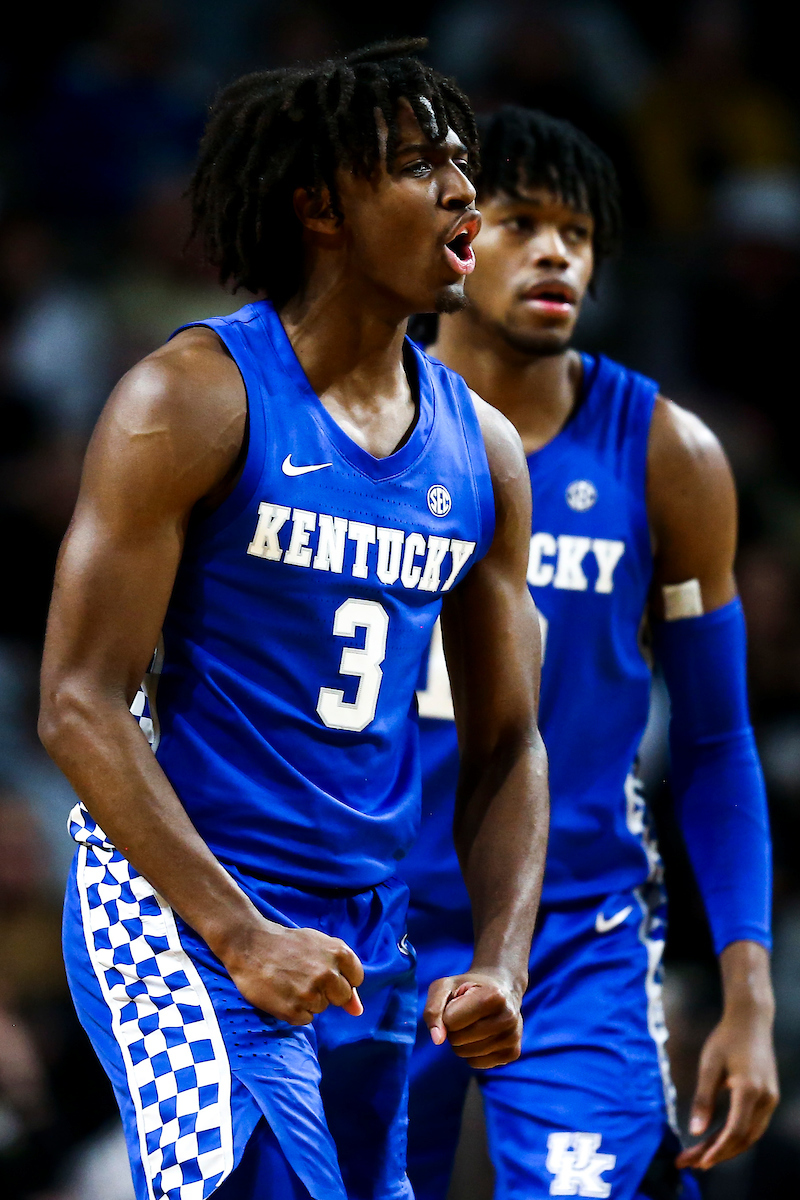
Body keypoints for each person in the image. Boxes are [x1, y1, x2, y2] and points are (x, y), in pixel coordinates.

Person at [38, 48, 550, 1200]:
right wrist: (236, 932)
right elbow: (76, 702)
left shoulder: (485, 454)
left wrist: (503, 963)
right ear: (318, 205)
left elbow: (508, 742)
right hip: (180, 902)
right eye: (421, 167)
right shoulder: (191, 399)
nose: (466, 195)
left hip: (365, 929)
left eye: (463, 165)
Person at [401, 106, 778, 1200]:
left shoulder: (665, 453)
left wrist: (747, 995)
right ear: (453, 236)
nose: (556, 250)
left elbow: (713, 742)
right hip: (365, 918)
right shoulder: (352, 425)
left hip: (574, 930)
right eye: (519, 221)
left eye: (579, 230)